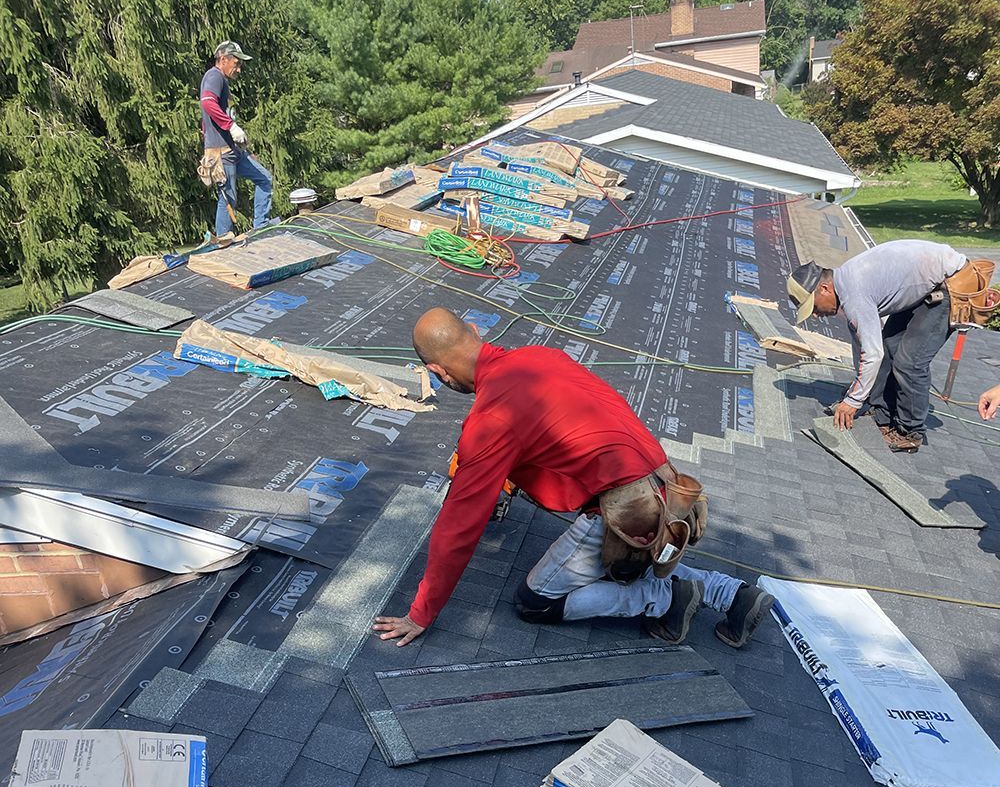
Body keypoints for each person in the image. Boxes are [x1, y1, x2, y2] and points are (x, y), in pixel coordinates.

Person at [373, 309, 774, 649]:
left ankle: (665, 597)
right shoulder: (540, 356)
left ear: (437, 372)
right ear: (476, 332)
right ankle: (733, 595)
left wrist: (422, 612)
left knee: (536, 602)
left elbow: (459, 525)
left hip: (622, 511)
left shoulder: (492, 417)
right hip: (669, 491)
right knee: (631, 559)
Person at [787, 240, 968, 454]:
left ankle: (909, 431)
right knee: (890, 346)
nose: (816, 315)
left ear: (824, 288)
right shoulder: (846, 282)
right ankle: (882, 412)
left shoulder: (854, 294)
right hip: (929, 281)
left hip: (952, 283)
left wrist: (853, 401)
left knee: (909, 363)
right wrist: (860, 393)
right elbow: (865, 346)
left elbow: (872, 355)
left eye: (814, 307)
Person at [199, 41, 273, 239]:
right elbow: (207, 102)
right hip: (221, 153)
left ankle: (260, 228)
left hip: (232, 151)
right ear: (223, 59)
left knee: (264, 178)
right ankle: (223, 243)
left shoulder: (221, 81)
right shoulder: (214, 76)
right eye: (236, 63)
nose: (239, 69)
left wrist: (244, 149)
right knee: (228, 199)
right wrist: (230, 126)